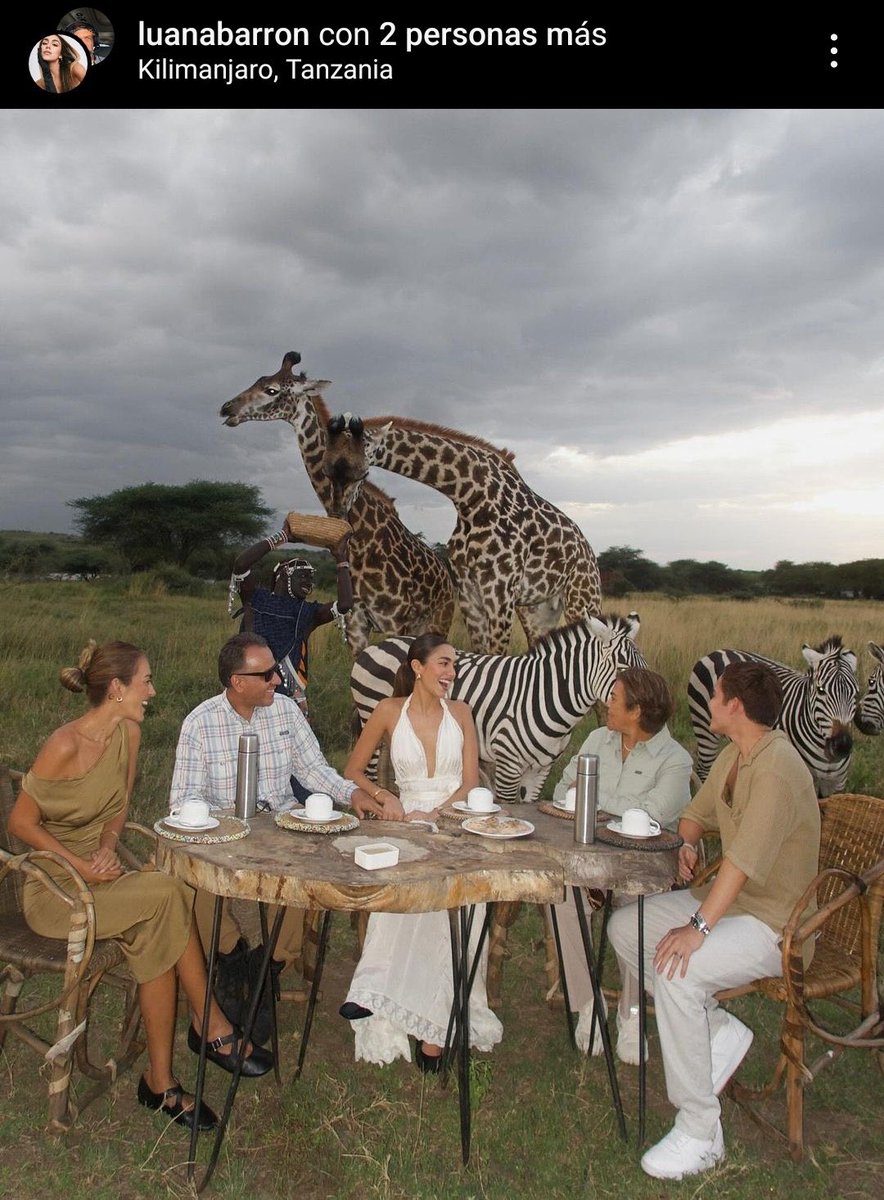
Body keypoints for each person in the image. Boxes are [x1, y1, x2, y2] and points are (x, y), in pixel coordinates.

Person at [8, 640, 271, 1135]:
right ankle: (210, 1025)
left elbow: (119, 808)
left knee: (159, 921)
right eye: (145, 681)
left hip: (100, 875)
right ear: (116, 688)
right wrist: (80, 866)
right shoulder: (64, 744)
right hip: (55, 889)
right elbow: (21, 823)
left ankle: (161, 1082)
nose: (152, 691)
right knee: (168, 892)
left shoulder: (128, 731)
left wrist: (107, 843)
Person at [608, 661, 820, 1180]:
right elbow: (696, 813)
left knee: (678, 971)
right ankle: (719, 1030)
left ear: (735, 707)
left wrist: (696, 928)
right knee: (626, 930)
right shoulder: (735, 754)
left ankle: (701, 1128)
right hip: (736, 906)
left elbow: (742, 867)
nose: (709, 702)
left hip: (777, 926)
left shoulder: (776, 768)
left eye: (716, 695)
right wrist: (687, 840)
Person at [169, 633, 392, 1040]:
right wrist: (216, 825)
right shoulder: (200, 723)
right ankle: (232, 957)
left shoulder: (286, 712)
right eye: (268, 673)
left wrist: (356, 793)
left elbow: (315, 772)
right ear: (238, 682)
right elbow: (183, 799)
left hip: (283, 828)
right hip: (226, 836)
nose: (278, 680)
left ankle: (265, 968)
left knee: (303, 877)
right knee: (190, 879)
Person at [340, 633, 503, 1071]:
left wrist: (437, 813)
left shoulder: (463, 714)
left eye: (453, 666)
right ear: (417, 667)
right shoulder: (389, 711)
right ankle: (377, 993)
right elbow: (353, 770)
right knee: (402, 892)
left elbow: (471, 782)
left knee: (449, 907)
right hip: (406, 824)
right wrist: (383, 795)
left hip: (453, 821)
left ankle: (432, 1028)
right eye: (444, 664)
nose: (451, 673)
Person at [551, 668, 692, 1059]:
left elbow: (653, 814)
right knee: (560, 897)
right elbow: (564, 789)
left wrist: (593, 803)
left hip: (642, 872)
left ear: (637, 711)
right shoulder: (597, 738)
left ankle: (631, 1016)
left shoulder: (676, 761)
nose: (606, 704)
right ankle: (587, 1004)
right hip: (589, 864)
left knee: (635, 906)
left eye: (614, 697)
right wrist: (604, 807)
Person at [229, 521, 353, 717]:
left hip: (288, 697)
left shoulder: (308, 612)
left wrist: (341, 559)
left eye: (311, 577)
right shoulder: (256, 598)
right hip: (250, 688)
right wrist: (282, 537)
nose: (308, 582)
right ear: (283, 576)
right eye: (302, 575)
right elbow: (241, 564)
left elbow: (345, 604)